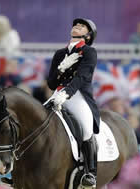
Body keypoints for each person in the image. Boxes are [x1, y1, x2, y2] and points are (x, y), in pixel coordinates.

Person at [46, 18, 99, 187]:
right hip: (57, 93)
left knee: (86, 128)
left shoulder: (89, 52)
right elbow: (51, 84)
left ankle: (90, 173)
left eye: (82, 26)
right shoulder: (60, 54)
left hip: (76, 95)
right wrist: (61, 69)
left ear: (88, 35)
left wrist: (67, 94)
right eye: (76, 24)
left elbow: (82, 77)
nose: (77, 26)